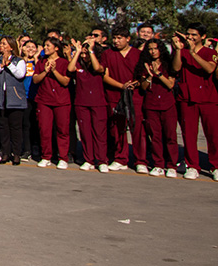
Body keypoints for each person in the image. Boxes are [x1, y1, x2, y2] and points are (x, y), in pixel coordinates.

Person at [170, 24, 218, 181]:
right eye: (188, 34)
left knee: (213, 134)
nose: (190, 37)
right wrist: (178, 50)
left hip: (208, 98)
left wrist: (192, 53)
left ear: (202, 37)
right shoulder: (182, 52)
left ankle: (215, 166)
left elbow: (210, 69)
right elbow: (176, 68)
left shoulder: (210, 52)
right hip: (187, 98)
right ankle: (192, 166)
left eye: (194, 35)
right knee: (188, 134)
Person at [100, 28, 145, 172]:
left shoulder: (138, 54)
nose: (116, 41)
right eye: (115, 38)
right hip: (115, 95)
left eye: (120, 38)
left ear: (128, 39)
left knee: (137, 128)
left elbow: (143, 75)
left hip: (135, 96)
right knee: (117, 128)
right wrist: (121, 86)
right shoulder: (108, 54)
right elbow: (105, 76)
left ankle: (140, 161)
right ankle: (120, 158)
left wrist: (134, 84)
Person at [68, 37, 109, 173]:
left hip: (98, 103)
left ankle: (102, 160)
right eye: (84, 54)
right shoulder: (79, 66)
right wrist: (78, 52)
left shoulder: (99, 63)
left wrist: (91, 52)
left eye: (87, 53)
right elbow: (70, 68)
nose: (85, 56)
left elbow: (98, 68)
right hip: (81, 103)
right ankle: (89, 159)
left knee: (99, 132)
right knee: (85, 132)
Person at [138, 39, 178, 178]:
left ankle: (172, 165)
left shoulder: (168, 65)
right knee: (155, 136)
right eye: (150, 49)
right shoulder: (144, 65)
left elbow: (170, 85)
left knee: (170, 136)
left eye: (155, 48)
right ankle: (158, 164)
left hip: (168, 104)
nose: (153, 51)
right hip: (151, 104)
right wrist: (149, 75)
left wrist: (158, 74)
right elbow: (143, 87)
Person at [0, 37, 27, 165]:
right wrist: (1, 65)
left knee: (16, 127)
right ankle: (5, 152)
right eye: (0, 44)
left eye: (4, 44)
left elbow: (20, 74)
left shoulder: (19, 61)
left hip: (14, 99)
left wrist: (9, 65)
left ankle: (16, 153)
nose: (1, 46)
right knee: (2, 127)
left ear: (11, 47)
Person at [33, 37, 72, 169]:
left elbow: (66, 81)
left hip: (61, 100)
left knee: (62, 130)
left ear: (56, 48)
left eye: (48, 45)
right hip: (44, 100)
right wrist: (45, 71)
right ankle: (46, 156)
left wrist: (54, 71)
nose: (45, 47)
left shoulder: (64, 63)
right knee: (44, 129)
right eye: (44, 45)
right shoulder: (41, 62)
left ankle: (63, 157)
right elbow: (36, 80)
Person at [20, 39, 40, 160]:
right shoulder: (21, 61)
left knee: (36, 124)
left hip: (37, 96)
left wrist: (36, 59)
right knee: (25, 124)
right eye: (28, 47)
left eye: (33, 47)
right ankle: (26, 149)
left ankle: (37, 146)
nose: (30, 49)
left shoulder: (40, 62)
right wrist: (25, 58)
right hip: (24, 96)